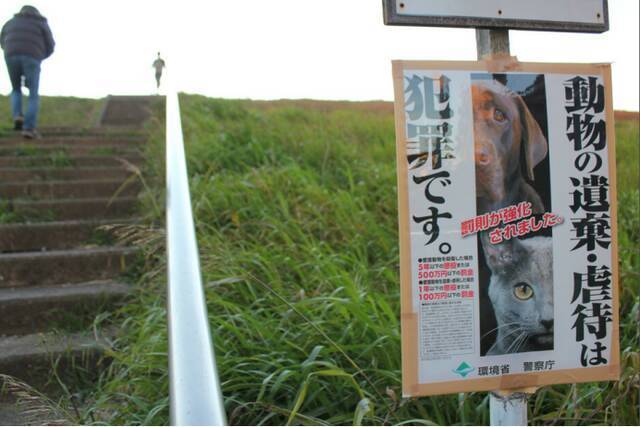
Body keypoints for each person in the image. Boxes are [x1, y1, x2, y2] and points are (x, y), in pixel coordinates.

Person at [0, 5, 55, 139]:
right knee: (33, 93)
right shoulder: (40, 23)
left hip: (11, 55)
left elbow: (2, 39)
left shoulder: (11, 22)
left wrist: (10, 51)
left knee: (16, 89)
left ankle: (18, 115)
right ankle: (29, 128)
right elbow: (51, 45)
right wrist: (39, 56)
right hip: (32, 57)